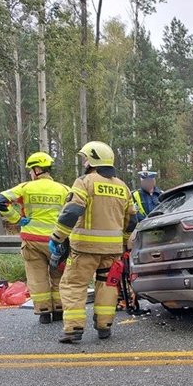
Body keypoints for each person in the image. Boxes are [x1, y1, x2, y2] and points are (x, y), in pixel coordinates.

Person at [50, 141, 137, 343]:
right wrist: (123, 243)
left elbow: (72, 211)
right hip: (111, 250)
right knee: (107, 285)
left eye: (85, 158)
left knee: (74, 284)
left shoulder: (85, 182)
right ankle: (104, 326)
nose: (83, 162)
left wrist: (57, 237)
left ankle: (73, 329)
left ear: (92, 160)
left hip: (84, 249)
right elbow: (131, 220)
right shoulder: (122, 187)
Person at [0, 152, 70, 324]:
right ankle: (59, 310)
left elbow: (0, 201)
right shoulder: (65, 189)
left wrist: (17, 219)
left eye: (31, 170)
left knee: (37, 276)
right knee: (59, 274)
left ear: (37, 169)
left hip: (32, 240)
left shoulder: (26, 187)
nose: (30, 173)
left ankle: (44, 312)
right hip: (57, 240)